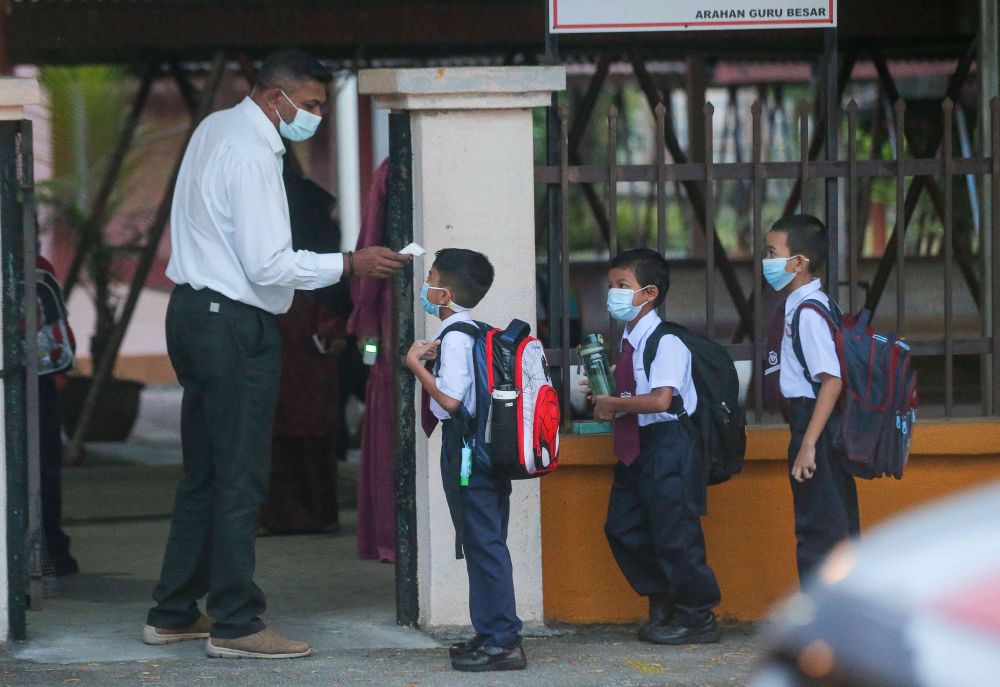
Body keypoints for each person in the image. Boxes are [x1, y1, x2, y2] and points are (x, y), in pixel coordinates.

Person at [142, 48, 409, 660]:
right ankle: (236, 623)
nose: (313, 116)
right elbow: (267, 261)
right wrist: (350, 262)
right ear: (274, 98)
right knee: (240, 478)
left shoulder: (216, 127)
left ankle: (174, 610)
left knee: (205, 474)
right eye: (310, 105)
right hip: (234, 322)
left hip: (192, 312)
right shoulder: (253, 152)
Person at [583, 248, 721, 645]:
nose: (614, 294)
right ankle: (664, 599)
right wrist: (607, 391)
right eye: (612, 286)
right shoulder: (631, 340)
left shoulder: (667, 342)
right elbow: (638, 390)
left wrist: (614, 404)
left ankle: (697, 616)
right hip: (636, 445)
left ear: (649, 293)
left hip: (668, 444)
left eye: (622, 286)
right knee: (622, 526)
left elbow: (662, 400)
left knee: (675, 533)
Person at [405, 249, 527, 672]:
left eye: (431, 277)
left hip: (468, 451)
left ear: (446, 292)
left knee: (483, 543)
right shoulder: (476, 331)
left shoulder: (456, 336)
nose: (426, 285)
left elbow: (451, 401)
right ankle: (490, 631)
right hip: (488, 450)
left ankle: (503, 641)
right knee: (482, 541)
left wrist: (415, 366)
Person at [765, 214, 859, 582]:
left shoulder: (808, 313)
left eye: (773, 253)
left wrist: (808, 444)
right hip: (818, 426)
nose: (768, 262)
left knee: (820, 535)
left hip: (814, 426)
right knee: (833, 529)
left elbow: (831, 381)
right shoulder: (815, 304)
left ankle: (826, 630)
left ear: (799, 263)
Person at [260, 165, 349, 535]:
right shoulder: (311, 201)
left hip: (281, 317)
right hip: (315, 324)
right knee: (313, 415)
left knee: (276, 416)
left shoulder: (268, 205)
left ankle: (282, 514)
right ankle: (317, 512)